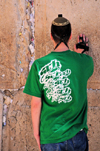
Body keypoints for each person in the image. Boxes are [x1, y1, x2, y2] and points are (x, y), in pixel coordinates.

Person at [23, 14, 94, 151]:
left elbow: (36, 104)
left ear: (51, 36)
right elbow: (81, 66)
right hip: (77, 136)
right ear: (70, 35)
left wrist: (37, 133)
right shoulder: (84, 62)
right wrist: (79, 53)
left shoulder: (38, 65)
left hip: (50, 136)